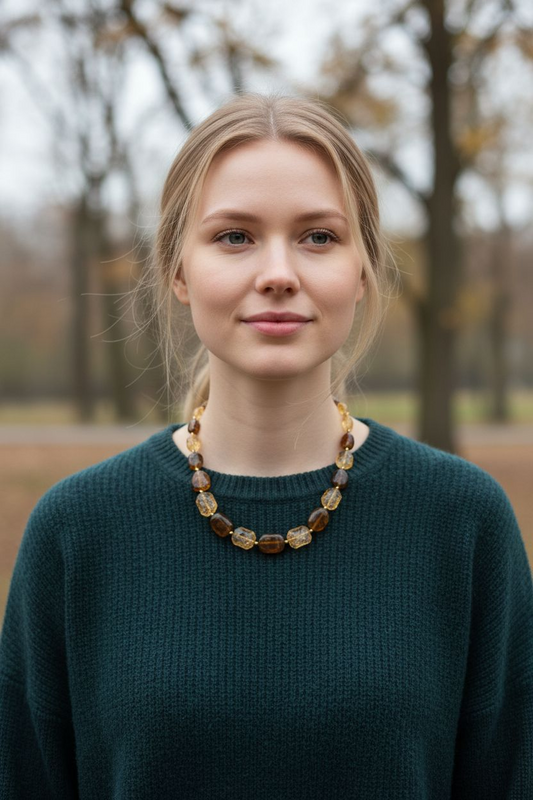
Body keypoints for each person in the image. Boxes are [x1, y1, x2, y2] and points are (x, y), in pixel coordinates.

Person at [1, 91, 532, 799]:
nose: (278, 271)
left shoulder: (461, 523)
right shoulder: (77, 531)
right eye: (234, 236)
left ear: (363, 268)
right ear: (178, 272)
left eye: (318, 236)